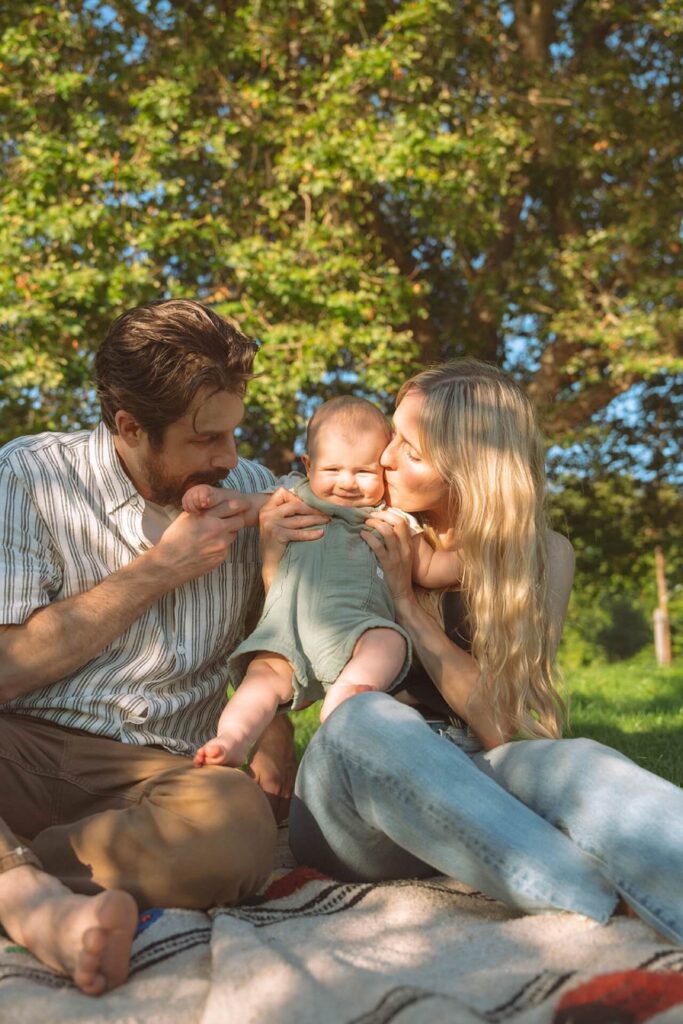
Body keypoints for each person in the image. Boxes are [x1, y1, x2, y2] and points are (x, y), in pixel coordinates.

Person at [288, 359, 683, 946]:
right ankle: (595, 900)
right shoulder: (355, 523)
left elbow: (504, 724)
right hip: (354, 803)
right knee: (365, 716)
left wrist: (408, 605)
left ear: (467, 473)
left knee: (579, 761)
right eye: (393, 434)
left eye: (410, 450)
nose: (385, 457)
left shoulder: (541, 556)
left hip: (474, 777)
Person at [0, 299, 325, 995]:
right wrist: (160, 569)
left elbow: (272, 648)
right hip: (19, 748)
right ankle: (31, 905)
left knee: (237, 831)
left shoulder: (253, 495)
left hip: (160, 776)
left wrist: (274, 724)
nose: (229, 459)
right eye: (205, 441)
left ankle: (21, 875)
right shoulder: (30, 476)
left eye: (234, 434)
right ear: (129, 426)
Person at [185, 396, 462, 769]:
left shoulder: (391, 517)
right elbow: (247, 506)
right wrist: (214, 498)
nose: (347, 483)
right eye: (332, 469)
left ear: (383, 469)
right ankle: (231, 739)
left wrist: (476, 559)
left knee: (390, 641)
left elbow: (430, 569)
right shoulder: (293, 495)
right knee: (261, 681)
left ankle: (344, 702)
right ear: (308, 465)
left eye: (363, 472)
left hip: (359, 629)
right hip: (287, 630)